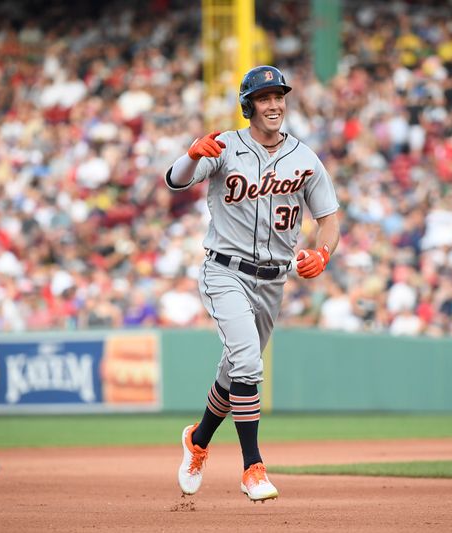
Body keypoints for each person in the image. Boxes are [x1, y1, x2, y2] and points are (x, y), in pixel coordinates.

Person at [165, 65, 340, 501]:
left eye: (279, 96)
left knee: (234, 370)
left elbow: (329, 217)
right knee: (247, 362)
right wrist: (191, 154)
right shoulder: (225, 145)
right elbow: (175, 180)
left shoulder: (304, 157)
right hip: (224, 270)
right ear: (249, 105)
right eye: (265, 98)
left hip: (273, 281)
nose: (275, 104)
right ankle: (253, 467)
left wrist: (323, 253)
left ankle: (198, 440)